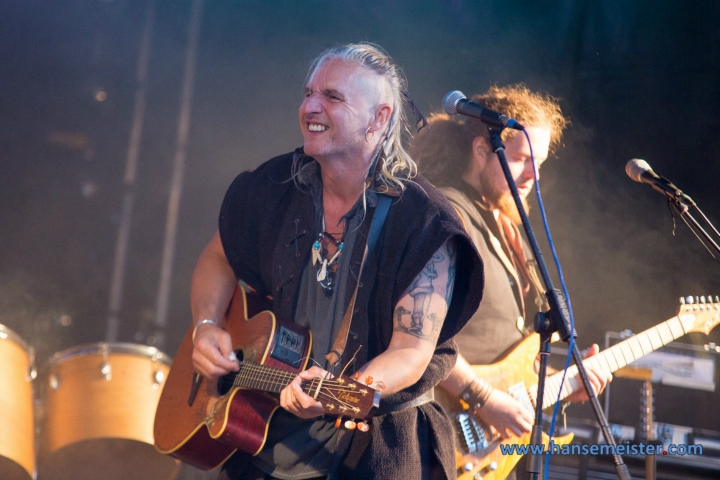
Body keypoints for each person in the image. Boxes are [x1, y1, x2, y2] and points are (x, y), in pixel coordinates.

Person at [189, 43, 484, 480]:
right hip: (261, 442)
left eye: (332, 97)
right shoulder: (274, 186)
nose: (310, 105)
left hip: (374, 450)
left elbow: (412, 351)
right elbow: (218, 256)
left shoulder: (424, 222)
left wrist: (344, 392)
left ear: (379, 119)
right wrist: (207, 326)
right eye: (309, 92)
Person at [411, 85, 611, 478]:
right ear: (481, 151)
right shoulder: (449, 213)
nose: (532, 175)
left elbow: (505, 357)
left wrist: (565, 384)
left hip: (485, 445)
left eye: (539, 162)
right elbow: (419, 334)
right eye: (520, 159)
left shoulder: (507, 226)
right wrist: (484, 400)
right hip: (436, 428)